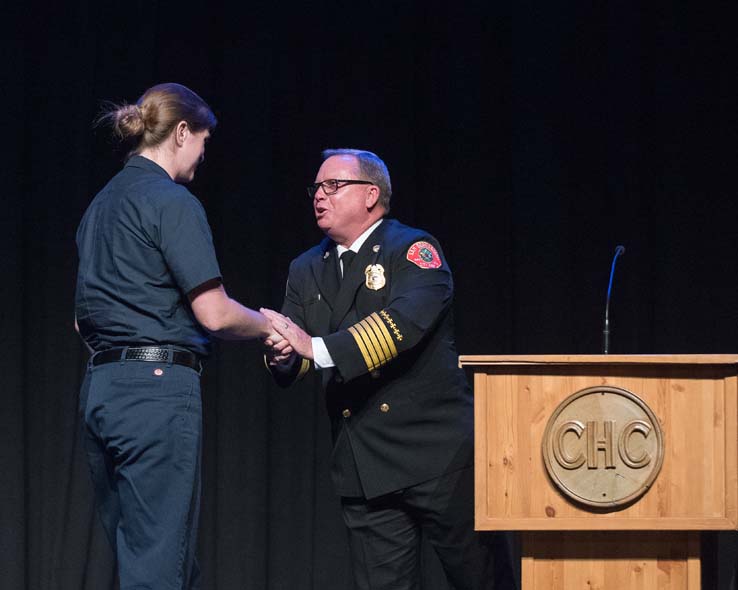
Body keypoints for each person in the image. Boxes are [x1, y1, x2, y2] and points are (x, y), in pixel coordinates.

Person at [262, 149, 513, 589]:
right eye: (316, 188)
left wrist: (313, 347)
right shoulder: (305, 268)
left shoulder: (413, 249)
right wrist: (283, 354)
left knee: (482, 580)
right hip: (365, 464)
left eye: (333, 186)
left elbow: (402, 326)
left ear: (371, 194)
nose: (319, 196)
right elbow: (296, 347)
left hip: (438, 456)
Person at [74, 83, 285, 590]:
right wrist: (270, 324)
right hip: (157, 391)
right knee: (158, 569)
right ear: (183, 132)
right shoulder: (172, 202)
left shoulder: (98, 207)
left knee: (146, 558)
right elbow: (213, 314)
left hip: (101, 392)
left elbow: (82, 321)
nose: (203, 157)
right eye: (204, 143)